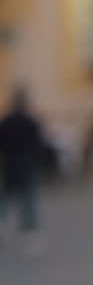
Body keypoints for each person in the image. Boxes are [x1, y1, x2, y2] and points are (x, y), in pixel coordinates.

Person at [0, 87, 49, 256]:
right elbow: (38, 144)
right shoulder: (31, 121)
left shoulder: (6, 120)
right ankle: (29, 233)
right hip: (27, 163)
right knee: (28, 199)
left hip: (9, 162)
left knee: (5, 197)